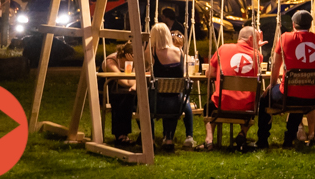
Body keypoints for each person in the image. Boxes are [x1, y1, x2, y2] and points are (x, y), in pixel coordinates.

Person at [256, 10, 315, 149]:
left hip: (289, 96)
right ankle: (289, 138)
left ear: (293, 24)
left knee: (265, 98)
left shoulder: (285, 38)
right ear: (310, 25)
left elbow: (275, 64)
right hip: (312, 97)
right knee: (297, 92)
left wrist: (272, 84)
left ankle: (263, 139)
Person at [202, 26, 262, 150]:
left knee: (208, 106)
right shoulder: (257, 56)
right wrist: (257, 49)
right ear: (251, 39)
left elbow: (209, 74)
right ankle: (242, 133)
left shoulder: (223, 49)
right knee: (254, 101)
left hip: (222, 103)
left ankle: (209, 138)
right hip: (246, 107)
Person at [146, 22, 195, 150]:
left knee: (142, 103)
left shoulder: (152, 52)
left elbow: (146, 66)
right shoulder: (180, 52)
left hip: (157, 102)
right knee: (172, 97)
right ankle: (169, 140)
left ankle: (149, 138)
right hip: (177, 103)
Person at [102, 41, 137, 145]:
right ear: (127, 55)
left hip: (126, 92)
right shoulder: (111, 62)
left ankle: (147, 134)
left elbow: (131, 82)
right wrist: (133, 65)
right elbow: (126, 82)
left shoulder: (130, 61)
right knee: (126, 96)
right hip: (109, 92)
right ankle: (121, 135)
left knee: (137, 95)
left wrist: (134, 85)